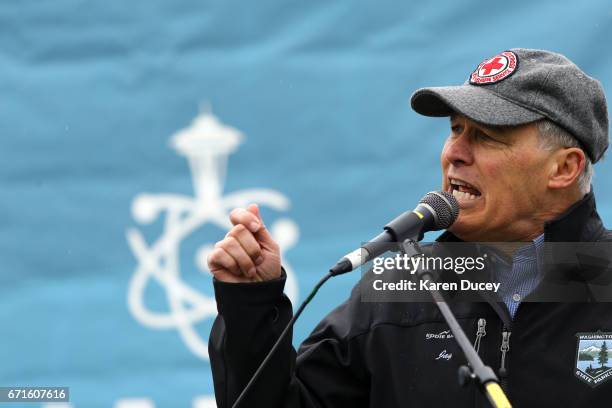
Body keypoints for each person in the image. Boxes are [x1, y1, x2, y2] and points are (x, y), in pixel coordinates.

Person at [207, 49, 612, 407]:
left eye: (487, 136)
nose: (454, 153)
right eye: (456, 130)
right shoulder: (400, 285)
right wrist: (250, 305)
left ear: (563, 168)